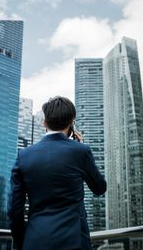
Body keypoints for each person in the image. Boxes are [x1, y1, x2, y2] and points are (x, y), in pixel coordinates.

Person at [7, 96, 107, 250]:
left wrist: (24, 242)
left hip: (35, 241)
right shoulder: (81, 151)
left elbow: (14, 209)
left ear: (44, 122)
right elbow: (99, 188)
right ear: (72, 122)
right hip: (75, 242)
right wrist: (81, 150)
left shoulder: (24, 156)